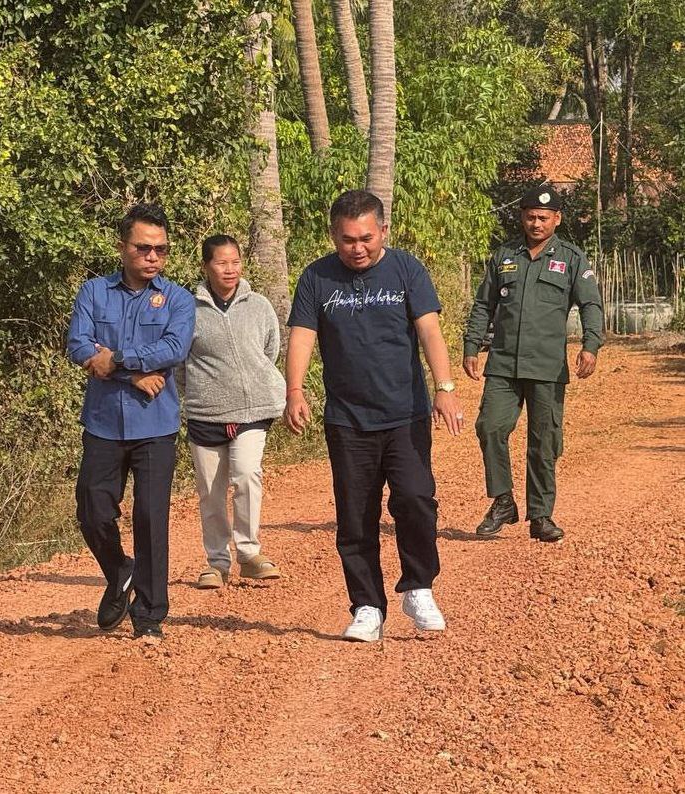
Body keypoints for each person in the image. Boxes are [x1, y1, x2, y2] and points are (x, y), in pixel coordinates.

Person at [284, 190, 464, 643]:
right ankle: (367, 606)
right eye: (348, 240)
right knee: (355, 515)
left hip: (405, 414)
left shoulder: (406, 269)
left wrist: (444, 388)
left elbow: (429, 330)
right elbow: (302, 335)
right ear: (334, 236)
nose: (358, 248)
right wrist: (294, 391)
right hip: (347, 420)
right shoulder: (316, 277)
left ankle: (418, 587)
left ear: (383, 230)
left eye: (366, 238)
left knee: (416, 500)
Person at [67, 203, 195, 640]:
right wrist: (135, 374)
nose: (153, 256)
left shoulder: (178, 299)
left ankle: (150, 615)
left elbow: (174, 348)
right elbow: (79, 345)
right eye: (143, 248)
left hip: (155, 425)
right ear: (122, 247)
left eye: (161, 249)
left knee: (150, 518)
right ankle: (119, 569)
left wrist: (118, 360)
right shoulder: (93, 292)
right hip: (103, 421)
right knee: (92, 509)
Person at [463, 185, 604, 542]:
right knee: (490, 428)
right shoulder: (504, 255)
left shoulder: (571, 258)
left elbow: (590, 304)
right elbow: (484, 304)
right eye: (530, 217)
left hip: (546, 366)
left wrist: (590, 345)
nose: (536, 223)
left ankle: (541, 516)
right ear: (522, 217)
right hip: (503, 364)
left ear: (557, 219)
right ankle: (503, 501)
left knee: (544, 442)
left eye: (543, 218)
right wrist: (471, 345)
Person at [183, 235, 286, 589]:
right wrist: (202, 391)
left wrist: (253, 382)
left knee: (246, 475)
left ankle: (249, 553)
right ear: (205, 267)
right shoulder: (188, 311)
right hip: (205, 412)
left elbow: (270, 349)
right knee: (210, 492)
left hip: (253, 409)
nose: (230, 269)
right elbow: (180, 363)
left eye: (235, 262)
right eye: (221, 263)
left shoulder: (259, 305)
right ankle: (217, 562)